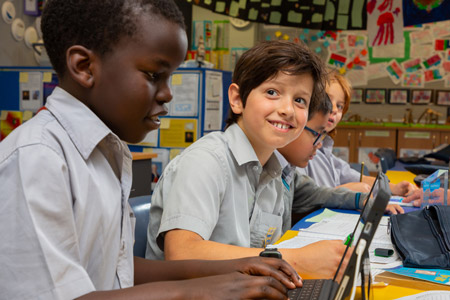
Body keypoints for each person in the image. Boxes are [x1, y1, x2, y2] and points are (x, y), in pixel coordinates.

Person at [0, 1, 303, 299]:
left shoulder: (105, 154)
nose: (168, 92)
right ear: (84, 67)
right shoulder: (37, 158)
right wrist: (195, 291)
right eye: (153, 75)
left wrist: (235, 267)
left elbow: (115, 271)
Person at [146, 40, 364, 280]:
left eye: (300, 100)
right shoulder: (205, 161)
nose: (288, 110)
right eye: (272, 92)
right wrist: (296, 259)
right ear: (237, 99)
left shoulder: (274, 172)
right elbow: (182, 253)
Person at [300, 69, 417, 196]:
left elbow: (357, 178)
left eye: (339, 106)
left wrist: (393, 188)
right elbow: (304, 198)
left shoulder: (324, 150)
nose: (334, 109)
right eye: (327, 101)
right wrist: (346, 190)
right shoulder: (299, 152)